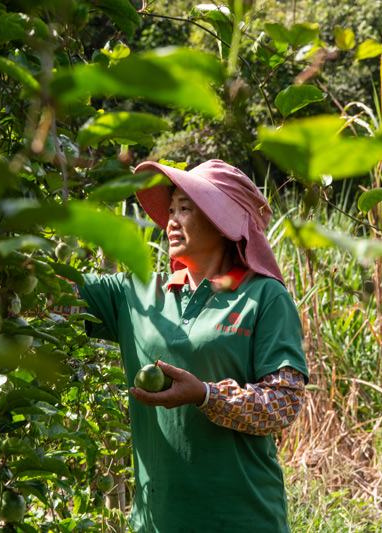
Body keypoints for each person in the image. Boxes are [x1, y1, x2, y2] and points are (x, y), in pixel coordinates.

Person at [76, 159, 308, 533]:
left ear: (223, 222)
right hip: (158, 520)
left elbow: (281, 405)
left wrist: (204, 395)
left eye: (186, 208)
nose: (171, 219)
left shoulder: (264, 297)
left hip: (242, 519)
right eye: (170, 209)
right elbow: (51, 290)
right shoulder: (135, 293)